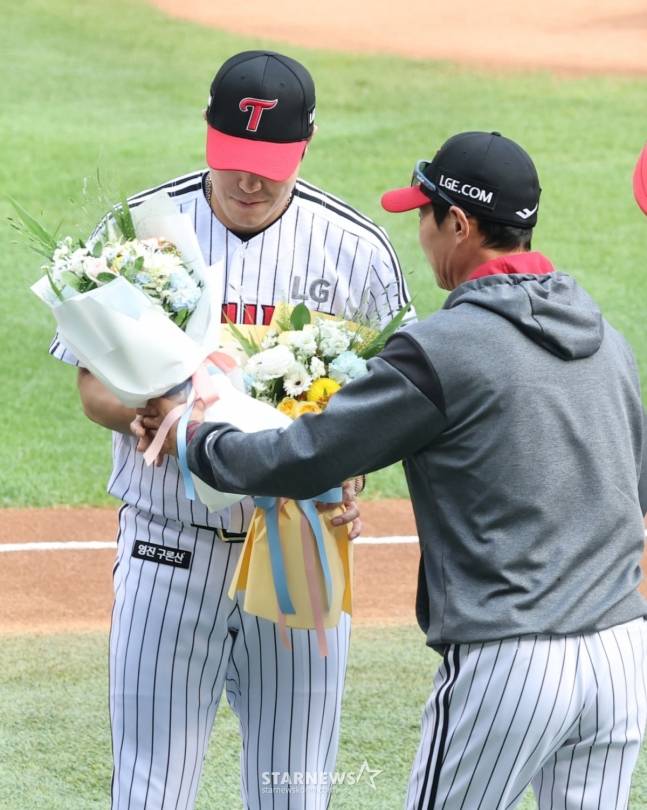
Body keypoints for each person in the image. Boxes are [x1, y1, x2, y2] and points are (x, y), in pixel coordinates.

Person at [141, 131, 647, 810]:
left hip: (513, 660)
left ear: (459, 225)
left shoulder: (442, 349)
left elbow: (306, 456)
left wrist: (196, 438)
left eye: (424, 214)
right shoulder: (605, 341)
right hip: (621, 655)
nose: (420, 233)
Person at [49, 50, 413, 810]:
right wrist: (149, 413)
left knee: (294, 789)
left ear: (304, 148)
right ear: (208, 132)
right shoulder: (139, 233)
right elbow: (91, 384)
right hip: (165, 551)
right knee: (149, 790)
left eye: (270, 165)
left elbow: (385, 406)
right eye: (235, 159)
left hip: (300, 548)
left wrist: (350, 475)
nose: (249, 181)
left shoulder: (353, 250)